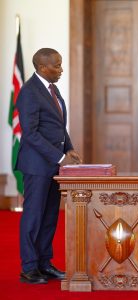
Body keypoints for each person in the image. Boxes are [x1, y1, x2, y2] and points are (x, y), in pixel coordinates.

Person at [15, 48, 82, 284]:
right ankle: (29, 268)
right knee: (34, 216)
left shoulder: (51, 89)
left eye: (61, 64)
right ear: (43, 67)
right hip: (36, 166)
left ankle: (44, 264)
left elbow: (58, 125)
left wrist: (69, 149)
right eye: (57, 65)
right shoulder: (29, 93)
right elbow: (30, 134)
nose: (61, 69)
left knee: (50, 215)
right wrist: (59, 157)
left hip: (53, 164)